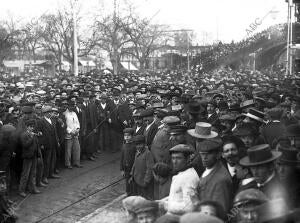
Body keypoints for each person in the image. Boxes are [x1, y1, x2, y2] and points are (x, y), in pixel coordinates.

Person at [161, 144, 200, 215]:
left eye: (178, 158)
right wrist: (160, 201)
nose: (174, 162)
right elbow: (177, 196)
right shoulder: (182, 173)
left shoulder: (189, 177)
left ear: (188, 159)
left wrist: (165, 205)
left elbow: (189, 207)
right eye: (173, 158)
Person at [197, 138, 233, 213]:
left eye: (208, 154)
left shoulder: (220, 179)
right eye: (202, 154)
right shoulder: (209, 169)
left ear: (218, 155)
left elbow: (221, 210)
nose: (204, 158)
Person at [18, 118, 40, 197]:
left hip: (33, 156)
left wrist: (38, 154)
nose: (32, 128)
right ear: (26, 127)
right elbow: (25, 145)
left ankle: (32, 188)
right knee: (25, 174)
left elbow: (36, 145)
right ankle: (21, 190)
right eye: (30, 126)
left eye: (32, 126)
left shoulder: (33, 134)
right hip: (27, 157)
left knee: (33, 173)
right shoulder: (24, 135)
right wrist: (31, 137)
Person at [131, 135, 155, 200]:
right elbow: (135, 164)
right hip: (137, 180)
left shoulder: (148, 153)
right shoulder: (137, 152)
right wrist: (132, 174)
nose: (138, 146)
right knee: (139, 197)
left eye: (140, 144)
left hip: (144, 182)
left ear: (144, 144)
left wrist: (146, 181)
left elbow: (150, 168)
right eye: (136, 145)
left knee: (145, 198)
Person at [63, 100, 82, 169]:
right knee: (68, 150)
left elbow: (77, 122)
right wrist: (70, 132)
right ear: (68, 106)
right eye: (71, 105)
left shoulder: (74, 113)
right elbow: (65, 125)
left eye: (73, 105)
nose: (72, 107)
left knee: (77, 148)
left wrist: (77, 129)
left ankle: (76, 162)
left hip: (75, 134)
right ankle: (68, 164)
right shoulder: (64, 114)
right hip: (69, 134)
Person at [120, 128, 136, 196]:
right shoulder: (124, 145)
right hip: (126, 167)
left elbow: (135, 158)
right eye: (125, 135)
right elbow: (122, 158)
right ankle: (128, 193)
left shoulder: (134, 146)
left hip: (132, 167)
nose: (126, 137)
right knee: (127, 181)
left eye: (128, 135)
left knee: (133, 181)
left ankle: (133, 193)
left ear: (132, 136)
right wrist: (121, 169)